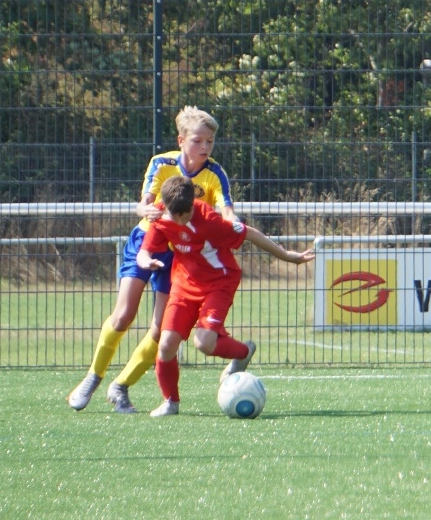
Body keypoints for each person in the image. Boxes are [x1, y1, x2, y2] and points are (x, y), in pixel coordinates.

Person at [68, 106, 239, 413]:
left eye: (210, 142)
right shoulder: (162, 163)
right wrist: (144, 210)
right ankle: (93, 377)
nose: (205, 147)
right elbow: (144, 202)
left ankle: (121, 386)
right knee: (123, 315)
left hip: (179, 253)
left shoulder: (215, 173)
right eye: (198, 140)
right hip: (145, 241)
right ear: (181, 140)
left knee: (160, 330)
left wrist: (233, 223)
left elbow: (227, 209)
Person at [137, 175, 315, 417]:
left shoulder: (210, 220)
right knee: (166, 344)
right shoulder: (159, 217)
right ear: (166, 206)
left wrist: (287, 256)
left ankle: (243, 353)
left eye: (186, 214)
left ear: (193, 204)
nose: (181, 221)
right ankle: (171, 402)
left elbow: (250, 233)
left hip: (219, 282)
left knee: (203, 343)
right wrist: (145, 261)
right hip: (183, 284)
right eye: (176, 216)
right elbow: (144, 251)